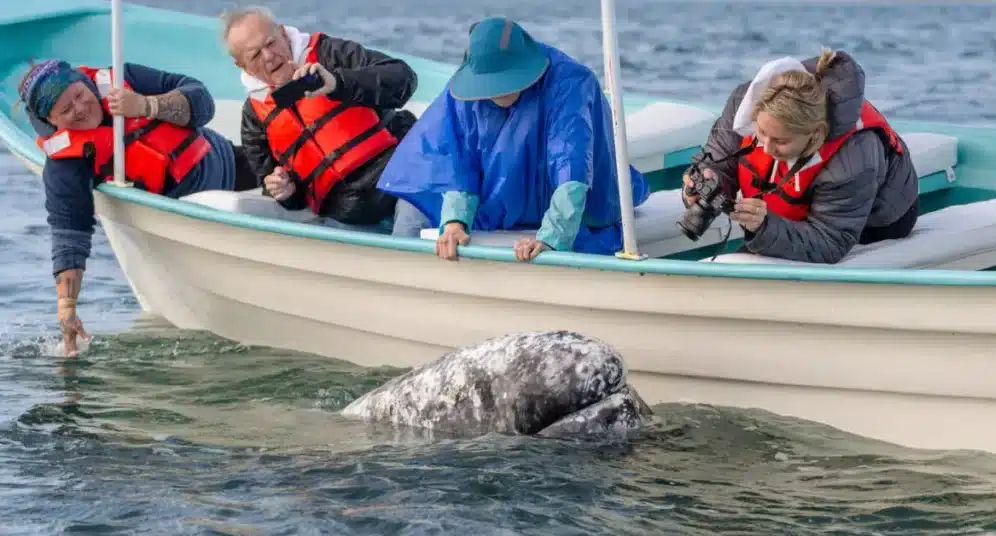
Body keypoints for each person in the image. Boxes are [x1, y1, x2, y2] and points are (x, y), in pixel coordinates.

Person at [18, 59, 260, 357]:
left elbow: (202, 101)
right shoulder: (65, 164)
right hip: (191, 213)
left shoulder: (122, 78)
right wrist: (67, 308)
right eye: (65, 110)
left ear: (85, 82)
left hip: (231, 164)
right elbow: (69, 232)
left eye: (79, 95)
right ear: (51, 121)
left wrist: (147, 105)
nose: (80, 109)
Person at [375, 17, 651, 262]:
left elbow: (572, 165)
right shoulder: (468, 86)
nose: (498, 90)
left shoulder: (571, 84)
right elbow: (459, 161)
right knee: (412, 209)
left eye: (506, 81)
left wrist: (551, 237)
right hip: (499, 188)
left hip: (566, 190)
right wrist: (455, 222)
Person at [684, 49, 919, 264]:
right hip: (796, 206)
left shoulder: (853, 158)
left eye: (780, 141)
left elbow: (830, 240)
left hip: (875, 220)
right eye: (761, 132)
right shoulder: (745, 103)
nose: (766, 148)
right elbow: (717, 159)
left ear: (815, 135)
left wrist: (764, 228)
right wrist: (704, 184)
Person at [221, 7, 420, 230]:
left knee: (408, 230)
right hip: (347, 214)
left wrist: (337, 83)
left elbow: (404, 78)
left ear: (284, 34)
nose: (268, 56)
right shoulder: (254, 119)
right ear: (243, 66)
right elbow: (275, 186)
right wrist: (285, 192)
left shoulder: (330, 54)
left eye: (271, 43)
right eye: (255, 55)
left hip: (400, 177)